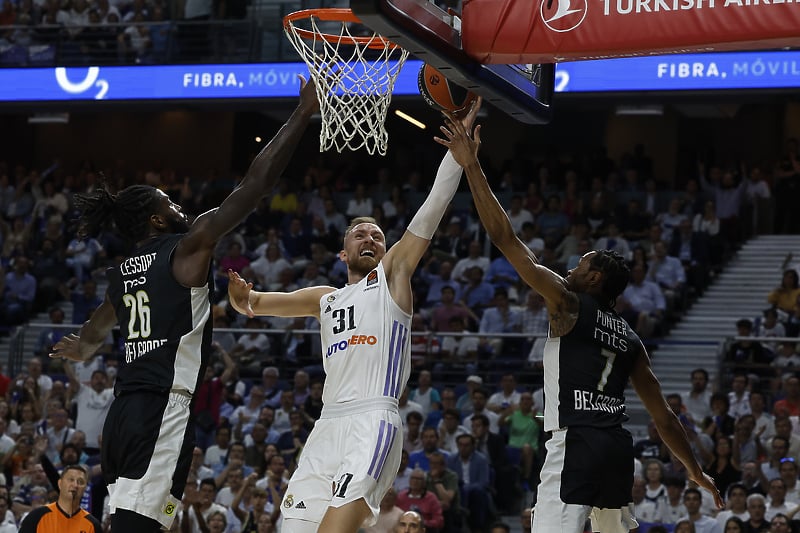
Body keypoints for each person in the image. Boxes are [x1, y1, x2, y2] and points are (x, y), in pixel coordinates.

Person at [48, 77, 320, 533]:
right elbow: (255, 186)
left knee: (138, 523)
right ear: (157, 218)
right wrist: (302, 113)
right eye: (170, 202)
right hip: (161, 409)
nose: (180, 206)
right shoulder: (186, 247)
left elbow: (92, 337)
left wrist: (82, 349)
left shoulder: (121, 273)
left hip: (122, 415)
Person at [436, 112, 723, 533]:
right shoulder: (630, 339)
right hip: (616, 450)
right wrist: (696, 472)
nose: (572, 266)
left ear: (595, 278)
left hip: (576, 442)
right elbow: (664, 419)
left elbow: (506, 240)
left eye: (581, 262)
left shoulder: (567, 303)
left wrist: (471, 165)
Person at [226, 103, 481, 533]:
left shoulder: (392, 277)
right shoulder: (325, 298)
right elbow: (258, 303)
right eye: (360, 234)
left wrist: (455, 160)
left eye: (377, 236)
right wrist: (241, 297)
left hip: (372, 420)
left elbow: (428, 216)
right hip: (327, 425)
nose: (371, 238)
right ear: (343, 252)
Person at [18, 464, 101, 532]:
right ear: (60, 484)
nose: (75, 485)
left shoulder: (92, 525)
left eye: (80, 482)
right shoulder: (37, 517)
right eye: (70, 480)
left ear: (85, 488)